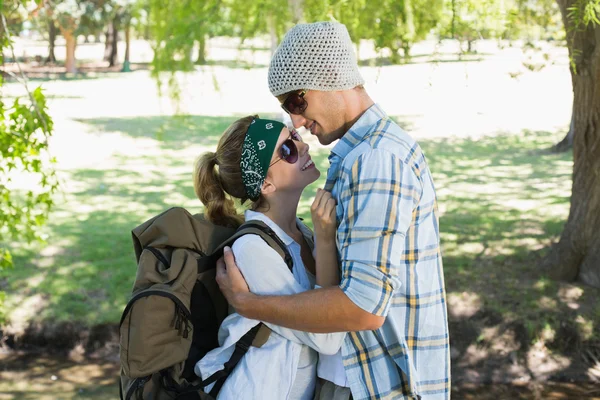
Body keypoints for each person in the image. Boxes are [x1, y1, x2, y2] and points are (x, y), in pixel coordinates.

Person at [216, 22, 451, 400]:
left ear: (329, 77)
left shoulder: (376, 160)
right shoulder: (356, 156)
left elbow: (362, 308)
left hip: (377, 386)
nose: (295, 122)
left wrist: (246, 303)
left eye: (296, 102)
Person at [192, 115, 347, 399]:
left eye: (295, 138)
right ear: (265, 184)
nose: (303, 148)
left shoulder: (301, 232)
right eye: (287, 150)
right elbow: (327, 338)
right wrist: (325, 242)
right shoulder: (252, 249)